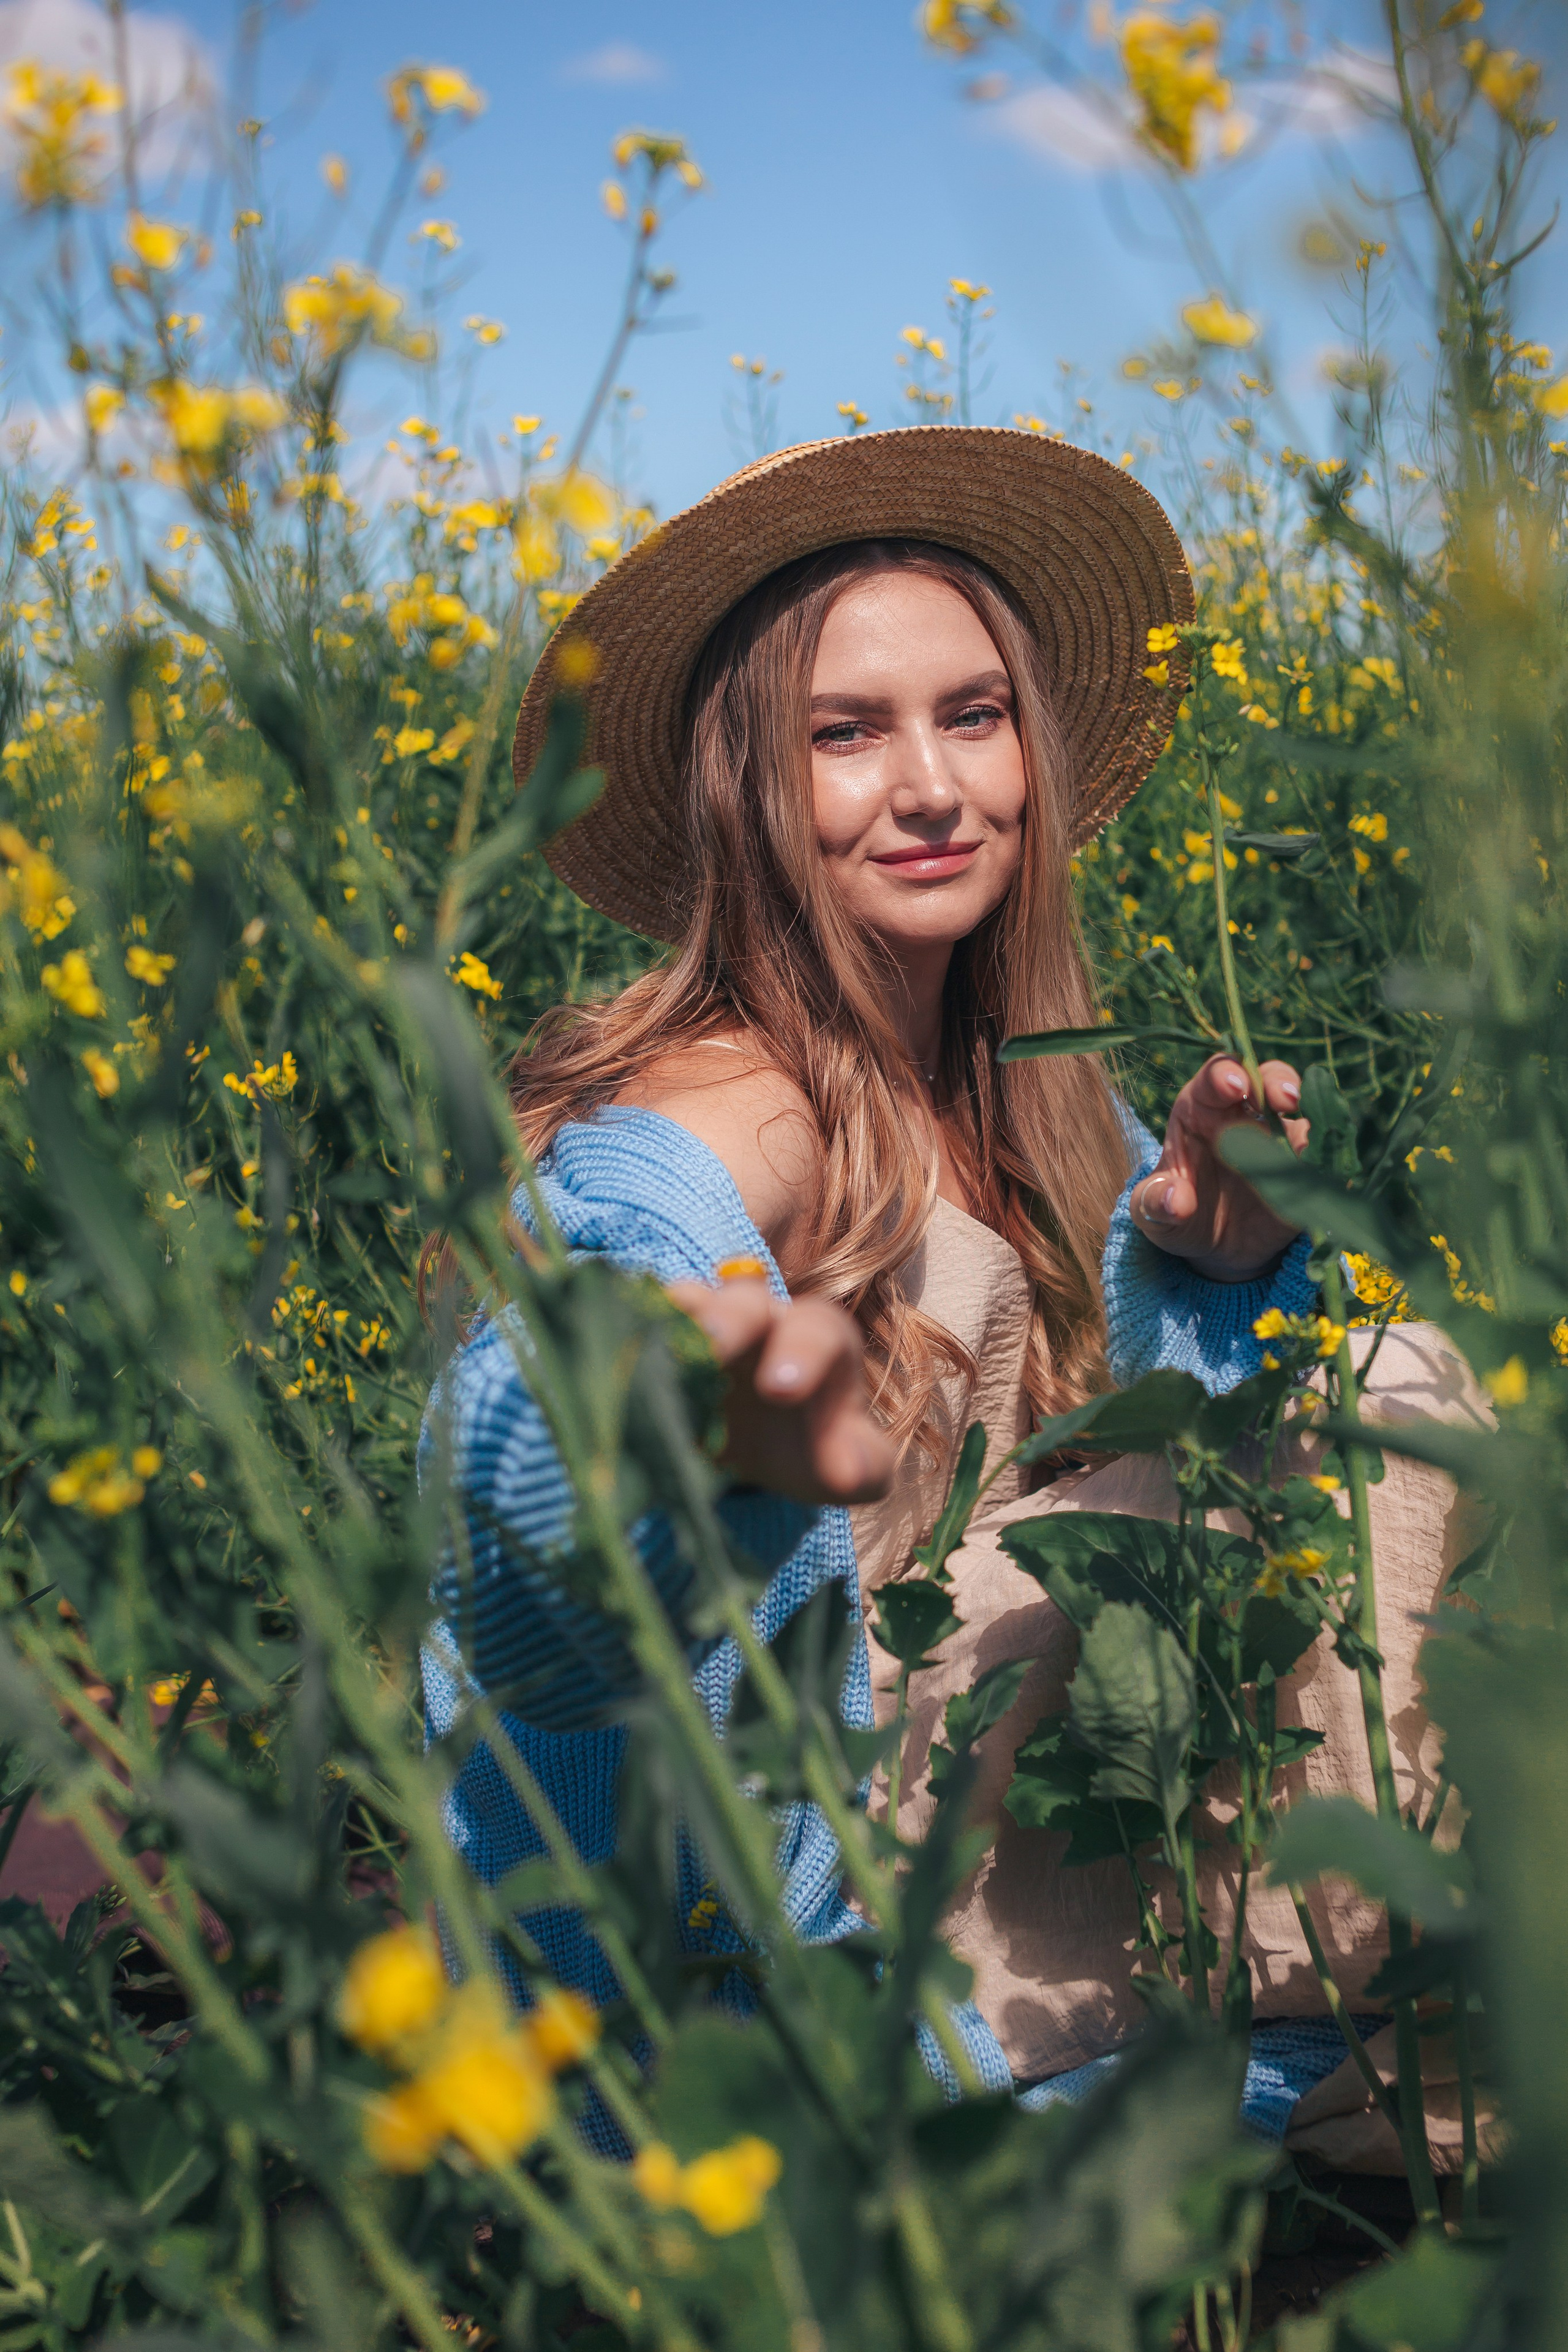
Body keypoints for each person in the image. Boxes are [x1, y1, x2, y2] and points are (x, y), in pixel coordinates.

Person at [421, 428, 1484, 2140]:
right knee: (1384, 1400)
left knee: (1375, 1381)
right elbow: (519, 1511)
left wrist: (1198, 1276)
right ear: (743, 789)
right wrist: (647, 1424)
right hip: (748, 1947)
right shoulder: (694, 1135)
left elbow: (1087, 1456)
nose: (930, 786)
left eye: (973, 715)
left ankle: (1300, 1988)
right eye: (845, 733)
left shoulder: (1028, 1080)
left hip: (976, 1813)